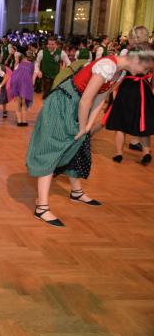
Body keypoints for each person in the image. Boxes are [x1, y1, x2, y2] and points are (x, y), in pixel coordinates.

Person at [26, 44, 154, 227]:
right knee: (52, 149)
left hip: (77, 106)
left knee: (78, 146)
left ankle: (76, 192)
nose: (144, 72)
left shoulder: (121, 72)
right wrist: (82, 125)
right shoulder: (108, 66)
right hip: (63, 103)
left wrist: (87, 126)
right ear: (136, 60)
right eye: (146, 67)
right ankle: (42, 208)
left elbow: (100, 98)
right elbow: (86, 100)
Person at [105, 26, 153, 166]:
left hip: (127, 88)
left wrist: (111, 86)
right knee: (143, 121)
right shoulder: (149, 51)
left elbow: (119, 71)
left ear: (132, 38)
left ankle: (119, 153)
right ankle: (146, 152)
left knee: (121, 122)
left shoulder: (127, 51)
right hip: (143, 88)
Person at [8, 45, 34, 126]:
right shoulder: (31, 64)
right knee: (24, 102)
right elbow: (31, 74)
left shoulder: (18, 60)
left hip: (16, 79)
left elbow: (14, 69)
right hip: (25, 81)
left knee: (18, 102)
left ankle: (19, 121)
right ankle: (24, 121)